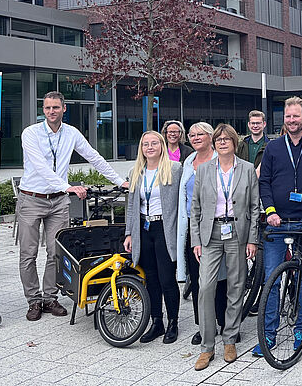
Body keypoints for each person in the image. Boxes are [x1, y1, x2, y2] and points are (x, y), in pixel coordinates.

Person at [18, 91, 127, 322]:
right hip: (31, 199)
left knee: (55, 252)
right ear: (43, 109)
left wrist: (120, 181)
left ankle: (50, 298)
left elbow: (94, 157)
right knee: (28, 253)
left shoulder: (71, 133)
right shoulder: (31, 133)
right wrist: (67, 186)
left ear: (63, 109)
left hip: (58, 201)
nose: (51, 112)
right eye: (47, 108)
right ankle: (33, 300)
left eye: (55, 107)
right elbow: (39, 166)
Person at [253, 96, 302, 356]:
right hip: (278, 222)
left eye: (296, 116)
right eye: (288, 116)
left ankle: (301, 329)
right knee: (271, 280)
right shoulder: (273, 148)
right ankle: (268, 334)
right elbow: (264, 182)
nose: (292, 120)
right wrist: (270, 210)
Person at [192, 124, 261, 369]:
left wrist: (252, 238)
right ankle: (207, 346)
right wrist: (196, 241)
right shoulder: (203, 170)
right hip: (210, 234)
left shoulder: (248, 169)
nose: (222, 142)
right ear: (214, 143)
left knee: (236, 286)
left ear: (234, 142)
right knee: (206, 287)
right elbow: (196, 208)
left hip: (237, 234)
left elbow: (254, 207)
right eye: (218, 139)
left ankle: (230, 339)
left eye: (226, 139)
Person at [124, 130, 183, 344]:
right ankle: (156, 321)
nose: (150, 147)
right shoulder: (136, 172)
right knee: (150, 278)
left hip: (164, 228)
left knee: (167, 278)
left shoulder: (174, 169)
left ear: (161, 146)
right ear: (141, 148)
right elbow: (131, 205)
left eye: (154, 143)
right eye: (145, 144)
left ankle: (173, 322)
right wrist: (129, 232)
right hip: (143, 228)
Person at [177, 122, 220, 346]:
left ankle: (224, 321)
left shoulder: (218, 159)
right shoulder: (188, 161)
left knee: (220, 279)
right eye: (191, 135)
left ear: (210, 136)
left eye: (199, 134)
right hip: (192, 229)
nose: (194, 138)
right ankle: (203, 326)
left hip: (216, 227)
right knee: (197, 278)